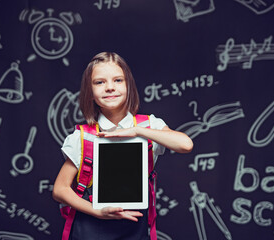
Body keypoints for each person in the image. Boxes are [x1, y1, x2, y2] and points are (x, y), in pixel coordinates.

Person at [52, 52, 193, 239]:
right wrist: (97, 211)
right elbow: (60, 190)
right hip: (90, 229)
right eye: (99, 82)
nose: (110, 87)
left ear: (129, 86)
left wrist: (137, 131)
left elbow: (185, 144)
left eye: (118, 80)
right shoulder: (83, 136)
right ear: (90, 93)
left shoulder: (150, 126)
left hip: (135, 228)